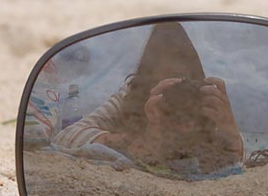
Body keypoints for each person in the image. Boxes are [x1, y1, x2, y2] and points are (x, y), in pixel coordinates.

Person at [53, 22, 244, 179]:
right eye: (167, 87)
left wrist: (231, 134)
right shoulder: (131, 98)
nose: (178, 97)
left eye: (184, 84)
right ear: (147, 84)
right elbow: (66, 137)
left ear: (199, 84)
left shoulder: (207, 102)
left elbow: (242, 161)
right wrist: (143, 142)